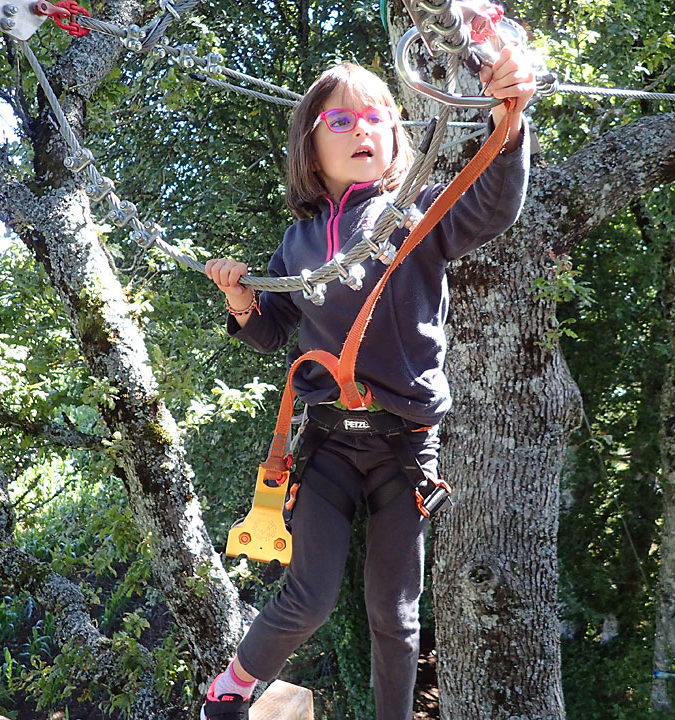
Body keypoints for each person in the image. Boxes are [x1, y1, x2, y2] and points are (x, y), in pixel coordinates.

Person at [201, 46, 536, 720]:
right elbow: (273, 331)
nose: (361, 130)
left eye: (376, 118)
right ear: (310, 149)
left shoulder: (418, 214)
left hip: (404, 450)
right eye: (341, 122)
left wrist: (512, 117)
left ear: (396, 138)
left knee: (396, 611)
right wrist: (241, 301)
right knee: (311, 595)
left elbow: (495, 207)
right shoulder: (298, 244)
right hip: (326, 447)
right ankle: (227, 695)